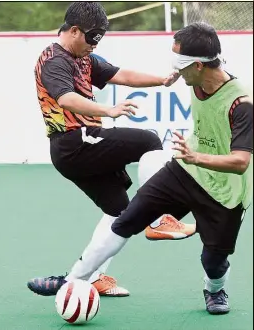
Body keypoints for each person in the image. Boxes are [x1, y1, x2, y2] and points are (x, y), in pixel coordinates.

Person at [57, 22, 253, 315]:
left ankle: (214, 290)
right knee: (126, 219)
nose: (173, 69)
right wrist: (168, 76)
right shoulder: (198, 76)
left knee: (214, 261)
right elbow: (165, 71)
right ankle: (72, 280)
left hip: (226, 191)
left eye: (178, 63)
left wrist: (198, 158)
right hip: (186, 171)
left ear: (199, 65)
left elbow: (240, 163)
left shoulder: (242, 103)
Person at [27, 1, 196, 298]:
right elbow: (66, 99)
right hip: (74, 142)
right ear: (74, 30)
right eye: (92, 38)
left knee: (120, 214)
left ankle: (92, 277)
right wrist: (109, 111)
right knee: (148, 141)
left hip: (80, 147)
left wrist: (163, 80)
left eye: (99, 39)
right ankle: (157, 220)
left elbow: (122, 75)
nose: (95, 45)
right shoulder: (54, 60)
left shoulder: (84, 56)